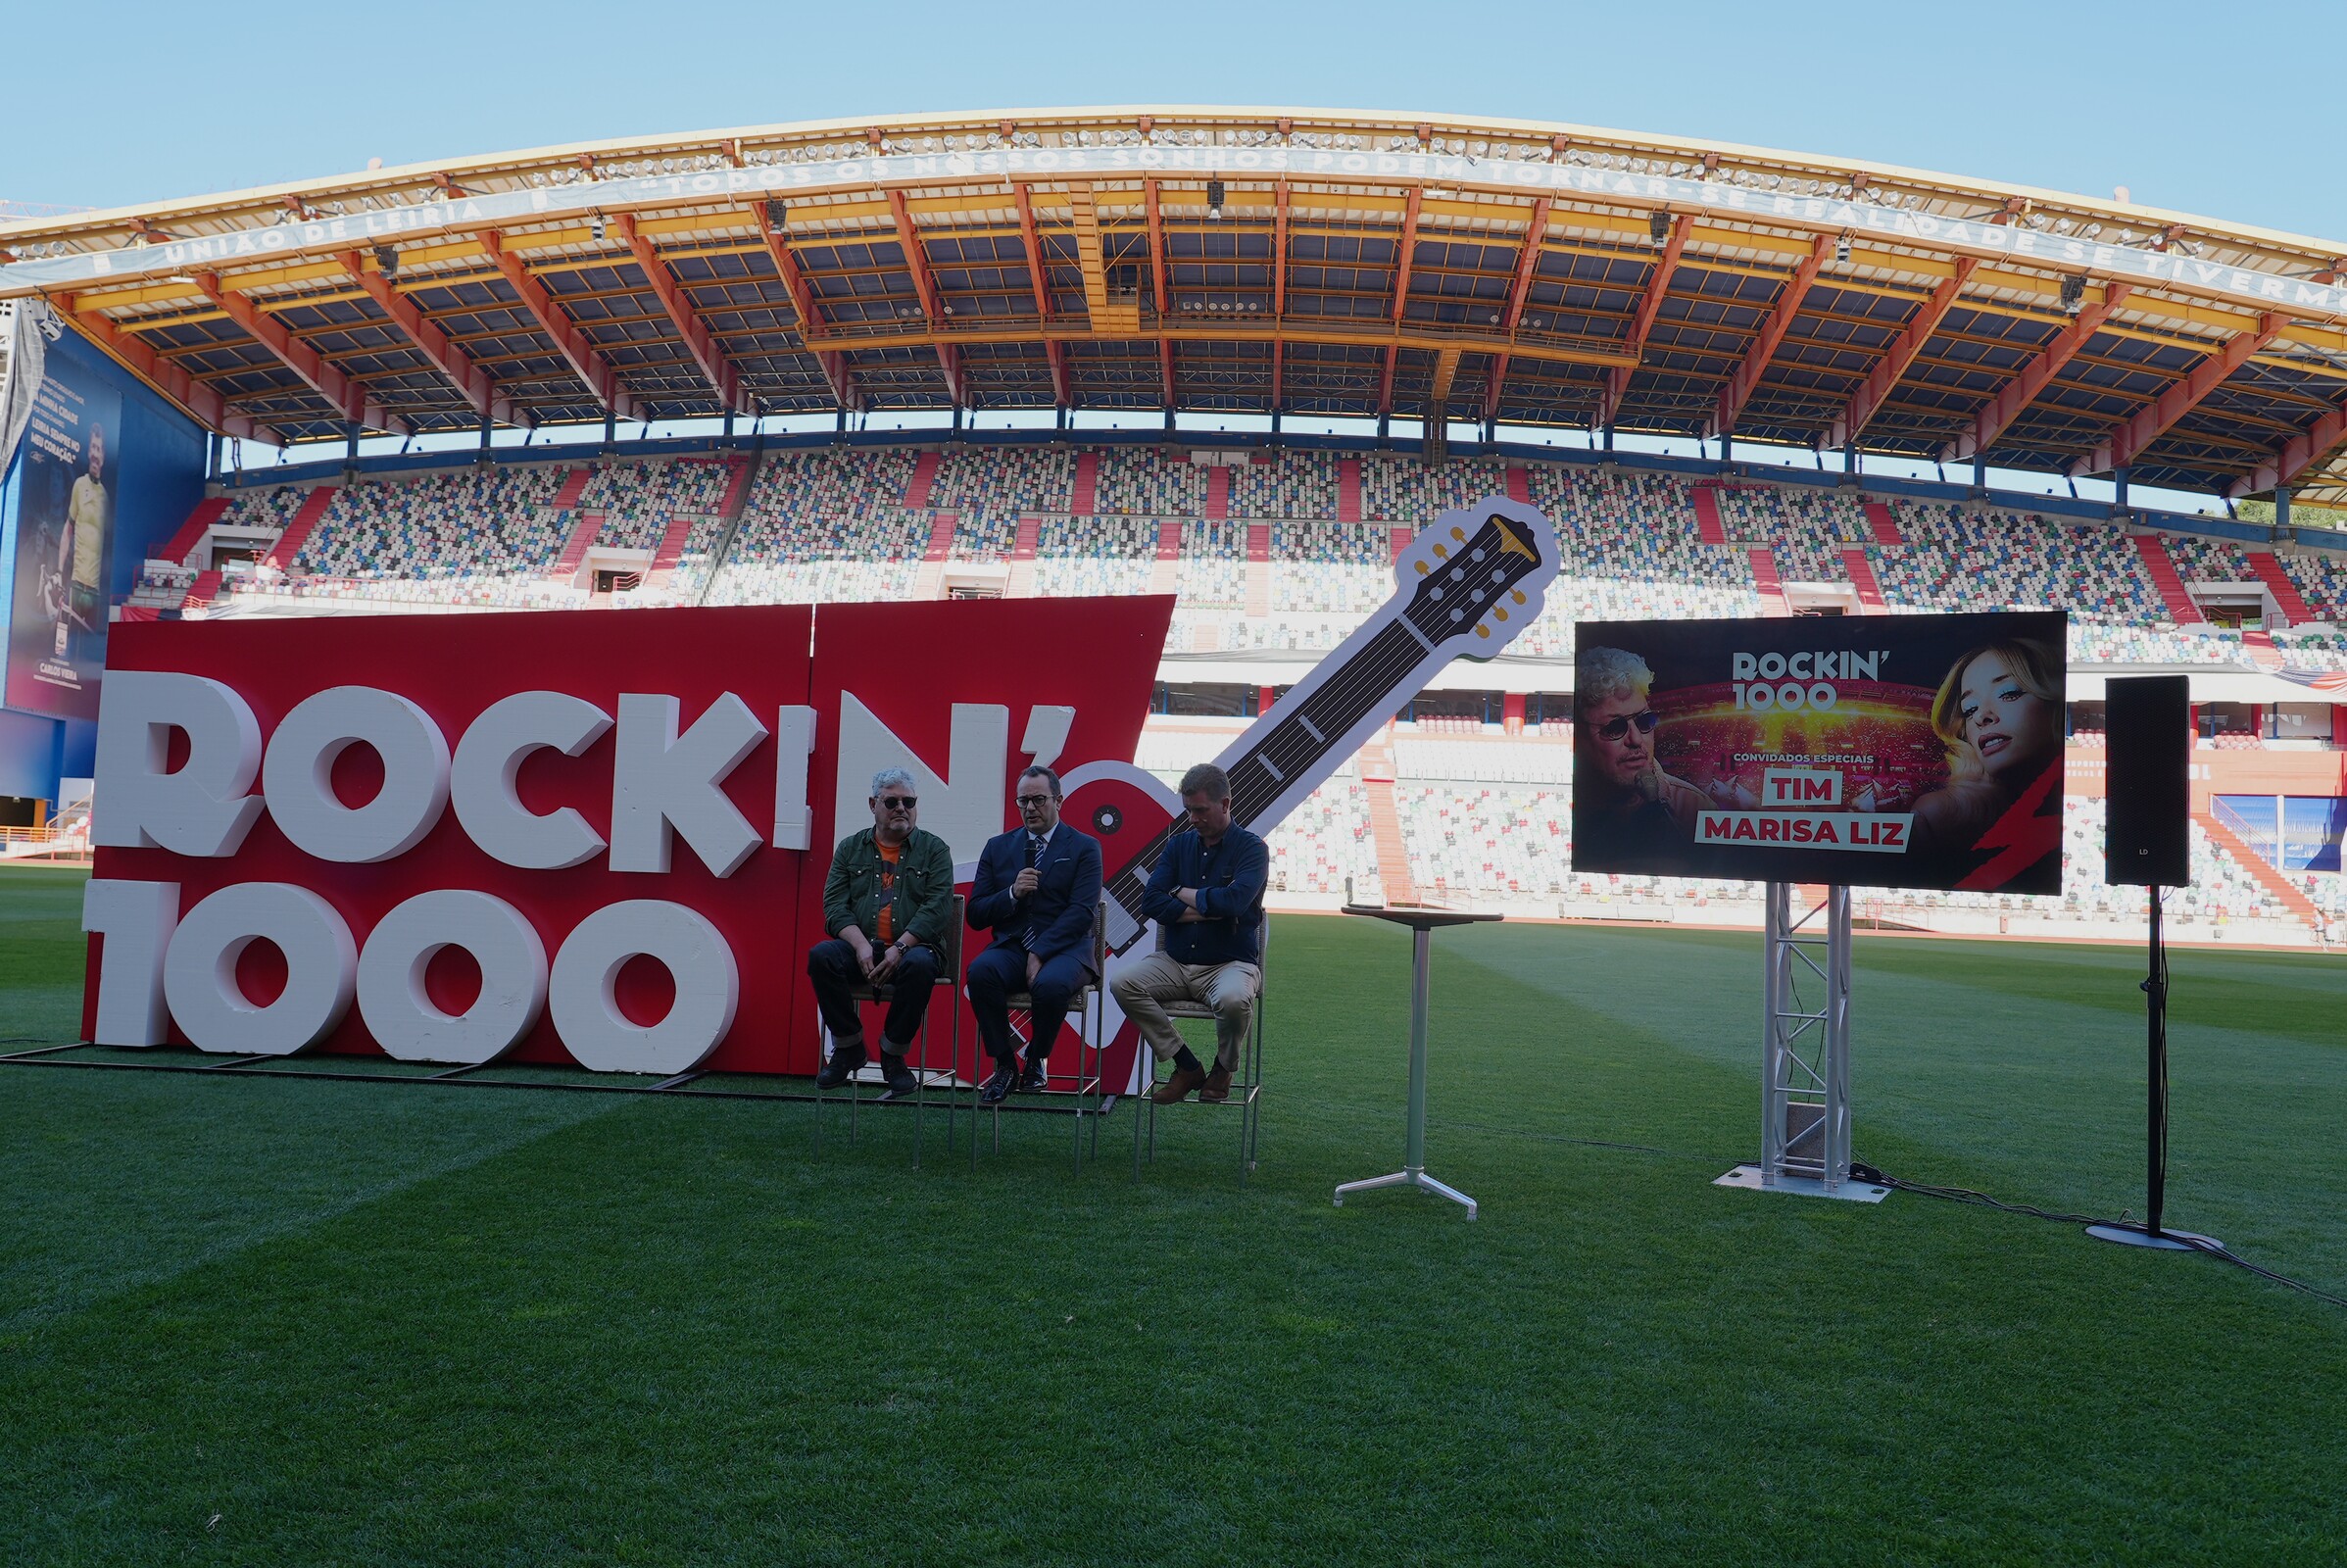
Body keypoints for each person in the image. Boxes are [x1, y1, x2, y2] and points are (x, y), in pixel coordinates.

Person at [1112, 762, 1268, 1104]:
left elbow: (1235, 902)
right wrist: (1210, 908)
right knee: (1122, 984)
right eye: (1188, 810)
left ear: (1225, 804)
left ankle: (1223, 1069)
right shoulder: (1178, 845)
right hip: (1176, 961)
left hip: (1230, 964)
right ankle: (1186, 1065)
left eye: (1200, 810)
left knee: (1233, 1000)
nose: (1193, 818)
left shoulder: (1252, 848)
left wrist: (1180, 891)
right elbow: (1150, 901)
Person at [809, 767, 956, 1101]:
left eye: (909, 802)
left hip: (914, 950)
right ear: (873, 804)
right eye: (892, 802)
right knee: (822, 957)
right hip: (861, 949)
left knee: (920, 965)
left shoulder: (934, 849)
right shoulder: (850, 848)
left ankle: (893, 1054)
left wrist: (900, 948)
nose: (901, 808)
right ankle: (848, 1047)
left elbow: (937, 908)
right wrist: (860, 945)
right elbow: (834, 906)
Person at [965, 764, 1102, 1105]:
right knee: (980, 972)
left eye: (1038, 800)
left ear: (1058, 800)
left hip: (1067, 949)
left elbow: (1082, 911)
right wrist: (1011, 893)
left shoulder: (1085, 847)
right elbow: (976, 913)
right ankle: (1005, 1064)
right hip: (1013, 946)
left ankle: (1037, 1057)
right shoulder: (998, 847)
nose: (1029, 808)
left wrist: (1040, 951)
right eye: (1023, 801)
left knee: (1050, 985)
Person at [1910, 637, 2063, 863]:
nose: (1980, 716)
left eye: (2009, 693)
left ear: (2056, 702)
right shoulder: (1938, 814)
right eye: (1970, 709)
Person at [1575, 645, 1703, 862]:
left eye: (1645, 721)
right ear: (1579, 735)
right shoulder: (1571, 807)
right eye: (1614, 728)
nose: (1636, 739)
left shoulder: (1693, 807)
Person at [61, 422, 109, 633]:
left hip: (95, 591)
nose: (96, 454)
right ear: (89, 451)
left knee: (89, 645)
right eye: (93, 448)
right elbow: (68, 529)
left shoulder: (106, 498)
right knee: (69, 637)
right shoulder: (79, 485)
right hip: (77, 584)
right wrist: (59, 570)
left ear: (103, 455)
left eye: (99, 449)